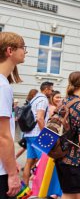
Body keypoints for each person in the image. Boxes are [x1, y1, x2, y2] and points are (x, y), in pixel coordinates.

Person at [55, 71, 80, 198]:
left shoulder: (63, 102)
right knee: (73, 195)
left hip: (60, 154)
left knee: (69, 194)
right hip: (74, 160)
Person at [0, 32, 26, 198]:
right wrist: (11, 173)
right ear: (10, 51)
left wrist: (10, 161)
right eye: (23, 47)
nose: (25, 52)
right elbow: (3, 136)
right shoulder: (3, 86)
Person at [23, 81, 53, 186]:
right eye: (51, 90)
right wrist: (45, 134)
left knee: (29, 162)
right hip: (37, 134)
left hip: (28, 134)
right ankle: (40, 189)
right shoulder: (43, 99)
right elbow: (40, 118)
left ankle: (25, 188)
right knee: (43, 162)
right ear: (46, 89)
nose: (52, 92)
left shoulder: (34, 98)